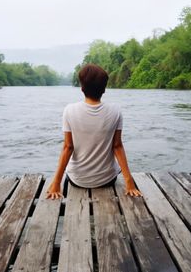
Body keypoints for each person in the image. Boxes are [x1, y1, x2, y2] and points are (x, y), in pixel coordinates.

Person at [46, 64, 142, 199]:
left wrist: (56, 182)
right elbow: (117, 146)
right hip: (107, 180)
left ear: (82, 88)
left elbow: (68, 147)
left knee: (70, 174)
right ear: (104, 89)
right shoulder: (115, 111)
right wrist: (129, 182)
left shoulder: (69, 110)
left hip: (77, 181)